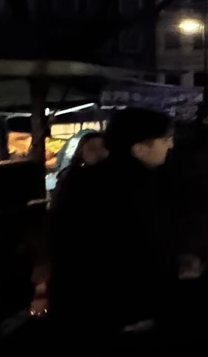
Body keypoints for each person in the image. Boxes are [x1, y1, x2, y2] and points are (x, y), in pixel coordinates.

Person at [50, 108, 180, 352]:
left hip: (82, 315)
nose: (170, 145)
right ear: (139, 147)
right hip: (126, 316)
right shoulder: (138, 186)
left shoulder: (83, 181)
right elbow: (148, 250)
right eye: (165, 139)